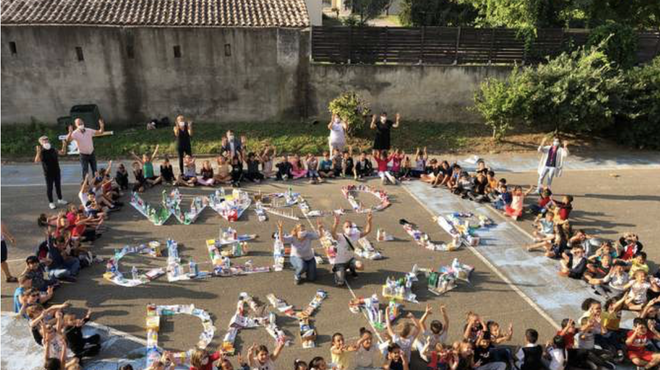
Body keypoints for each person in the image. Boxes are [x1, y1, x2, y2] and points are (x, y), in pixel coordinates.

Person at [328, 212, 371, 286]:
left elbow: (367, 231)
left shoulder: (356, 235)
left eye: (350, 226)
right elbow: (332, 233)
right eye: (347, 227)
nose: (349, 228)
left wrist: (369, 221)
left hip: (350, 260)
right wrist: (336, 222)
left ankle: (351, 268)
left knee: (361, 266)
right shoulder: (340, 237)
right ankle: (337, 270)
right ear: (343, 228)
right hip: (340, 262)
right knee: (340, 282)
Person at [277, 220, 324, 285]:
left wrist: (320, 229)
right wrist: (280, 230)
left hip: (309, 258)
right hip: (296, 257)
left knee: (312, 278)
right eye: (301, 230)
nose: (303, 232)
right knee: (302, 266)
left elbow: (319, 236)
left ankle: (307, 269)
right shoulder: (293, 237)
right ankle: (297, 275)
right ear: (297, 231)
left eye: (304, 230)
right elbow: (282, 240)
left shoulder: (308, 235)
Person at [35, 136, 69, 209]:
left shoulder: (53, 149)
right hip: (48, 173)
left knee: (58, 186)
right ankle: (51, 203)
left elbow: (63, 153)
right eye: (44, 140)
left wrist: (64, 145)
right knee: (49, 188)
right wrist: (38, 152)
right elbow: (36, 161)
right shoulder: (41, 151)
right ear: (41, 142)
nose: (46, 141)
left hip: (56, 171)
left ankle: (60, 199)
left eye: (47, 140)